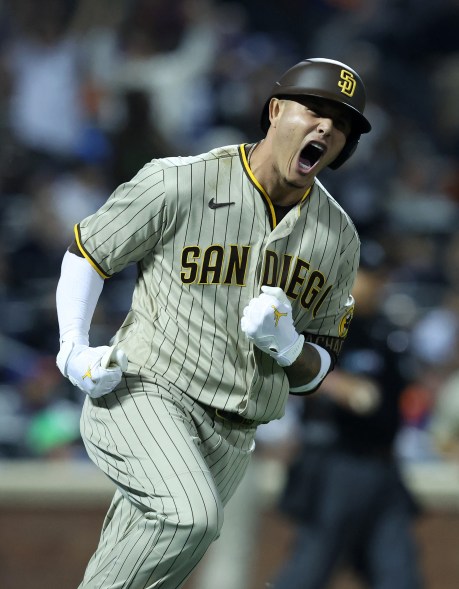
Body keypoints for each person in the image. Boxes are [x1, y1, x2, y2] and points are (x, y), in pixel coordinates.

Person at [55, 57, 371, 589]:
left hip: (235, 432)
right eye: (314, 109)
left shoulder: (338, 239)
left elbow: (321, 367)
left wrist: (292, 348)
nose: (325, 127)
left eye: (340, 124)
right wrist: (71, 348)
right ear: (274, 111)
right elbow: (88, 252)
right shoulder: (181, 181)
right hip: (147, 392)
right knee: (189, 515)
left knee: (135, 569)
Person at [272, 242, 424, 589]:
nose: (375, 284)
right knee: (309, 569)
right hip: (338, 464)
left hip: (384, 466)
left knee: (399, 575)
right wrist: (339, 386)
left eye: (380, 276)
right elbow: (289, 359)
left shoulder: (385, 332)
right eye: (367, 275)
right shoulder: (328, 326)